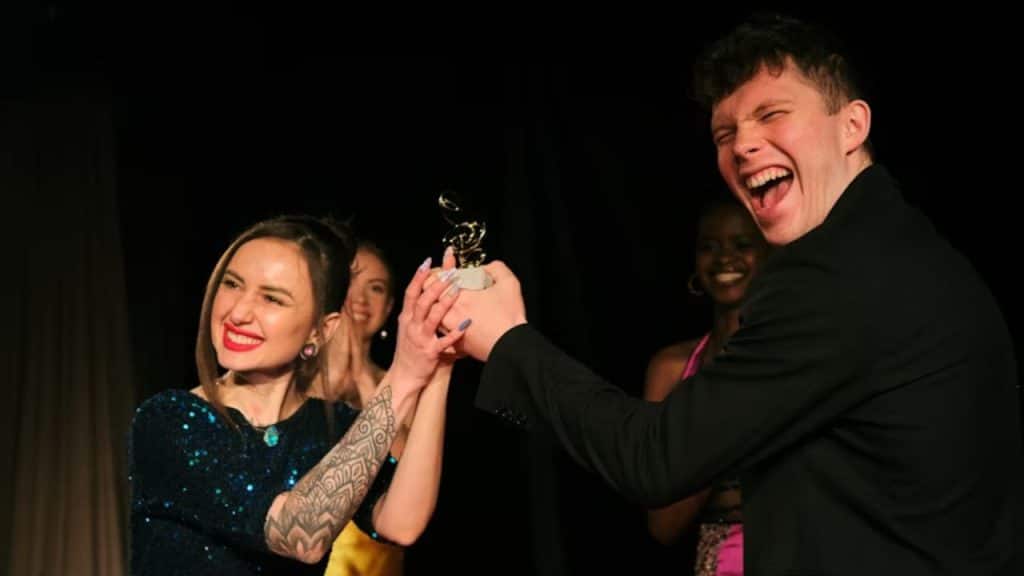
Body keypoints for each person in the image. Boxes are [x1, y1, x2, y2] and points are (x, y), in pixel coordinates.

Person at [438, 12, 1022, 575]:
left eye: (772, 114)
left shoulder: (842, 273)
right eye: (725, 132)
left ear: (852, 125)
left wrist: (507, 340)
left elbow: (655, 459)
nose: (742, 145)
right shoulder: (903, 247)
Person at [129, 215, 469, 575]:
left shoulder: (334, 424)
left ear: (320, 331)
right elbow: (301, 535)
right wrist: (404, 372)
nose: (238, 312)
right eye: (232, 284)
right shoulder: (169, 419)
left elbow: (401, 524)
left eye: (272, 299)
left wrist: (438, 367)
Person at [644, 197, 768, 576]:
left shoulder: (804, 356)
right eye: (709, 247)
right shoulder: (671, 369)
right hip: (721, 561)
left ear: (770, 255)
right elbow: (662, 525)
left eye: (742, 245)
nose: (725, 258)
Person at [320, 241, 410, 576]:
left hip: (375, 560)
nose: (360, 298)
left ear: (388, 308)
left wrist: (361, 374)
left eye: (375, 288)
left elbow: (406, 467)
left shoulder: (403, 384)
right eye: (350, 281)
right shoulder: (293, 377)